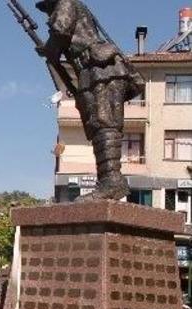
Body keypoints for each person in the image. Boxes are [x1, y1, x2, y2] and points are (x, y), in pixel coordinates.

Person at [36, 0, 145, 201]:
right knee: (100, 125)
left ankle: (112, 181)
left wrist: (49, 50)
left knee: (103, 124)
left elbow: (60, 32)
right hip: (95, 70)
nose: (48, 16)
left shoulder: (65, 2)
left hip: (100, 69)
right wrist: (48, 50)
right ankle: (109, 180)